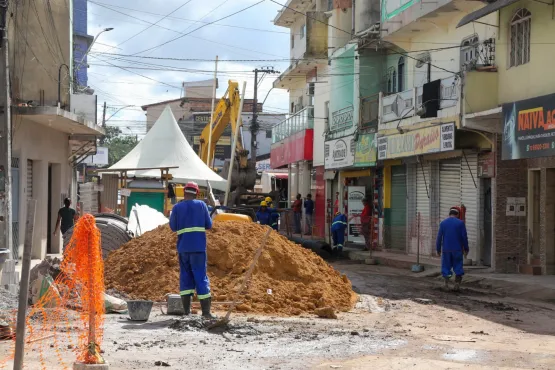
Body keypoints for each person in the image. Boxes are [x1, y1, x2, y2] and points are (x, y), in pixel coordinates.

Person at [169, 182, 214, 318]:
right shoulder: (201, 205)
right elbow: (209, 225)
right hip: (199, 248)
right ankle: (206, 313)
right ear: (197, 193)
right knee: (200, 277)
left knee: (185, 277)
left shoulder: (177, 208)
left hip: (183, 248)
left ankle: (186, 312)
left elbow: (172, 227)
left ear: (184, 192)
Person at [436, 207, 469, 292]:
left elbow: (439, 237)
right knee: (458, 267)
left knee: (446, 267)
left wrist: (438, 249)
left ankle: (446, 284)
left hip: (446, 250)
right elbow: (464, 237)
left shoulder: (443, 223)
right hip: (457, 250)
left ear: (449, 214)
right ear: (457, 215)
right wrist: (466, 248)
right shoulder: (460, 223)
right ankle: (457, 285)